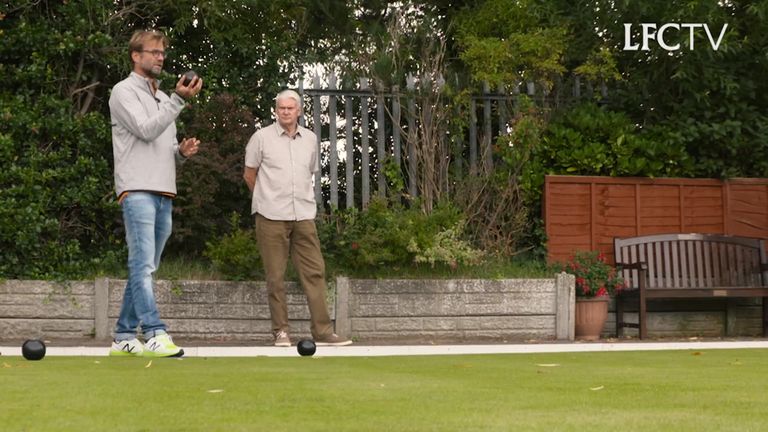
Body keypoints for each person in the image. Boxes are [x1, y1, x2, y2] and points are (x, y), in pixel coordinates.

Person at [108, 30, 203, 357]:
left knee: (146, 265)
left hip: (164, 190)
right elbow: (145, 131)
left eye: (163, 52)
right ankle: (153, 331)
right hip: (136, 189)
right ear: (136, 56)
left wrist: (180, 152)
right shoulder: (122, 92)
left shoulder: (163, 98)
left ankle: (123, 334)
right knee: (142, 264)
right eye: (154, 52)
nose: (161, 57)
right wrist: (178, 100)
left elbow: (160, 145)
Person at [243, 89, 352, 347]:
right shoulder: (260, 138)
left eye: (290, 108)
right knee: (275, 275)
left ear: (299, 111)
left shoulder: (310, 139)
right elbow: (250, 175)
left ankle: (323, 332)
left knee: (315, 272)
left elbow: (310, 175)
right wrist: (265, 199)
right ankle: (280, 332)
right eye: (281, 108)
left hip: (303, 215)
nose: (286, 112)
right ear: (276, 110)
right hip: (270, 215)